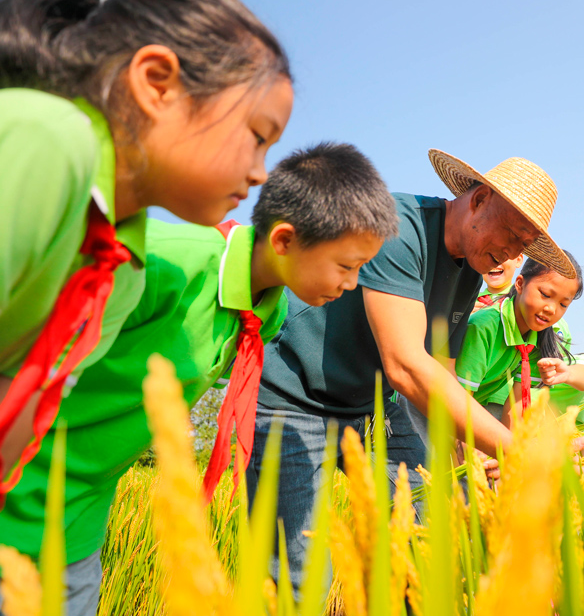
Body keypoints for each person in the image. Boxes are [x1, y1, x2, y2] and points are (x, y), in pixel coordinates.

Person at [0, 143, 396, 616]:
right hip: (15, 492)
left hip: (78, 522)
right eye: (345, 266)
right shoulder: (165, 263)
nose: (351, 284)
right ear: (285, 241)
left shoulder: (266, 315)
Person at [0, 0, 293, 497]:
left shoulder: (123, 261)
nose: (260, 174)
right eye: (257, 137)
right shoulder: (44, 143)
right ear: (157, 83)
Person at [252, 148, 575, 593]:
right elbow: (406, 365)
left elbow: (440, 375)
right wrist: (514, 447)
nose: (510, 252)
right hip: (297, 396)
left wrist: (473, 456)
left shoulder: (471, 269)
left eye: (523, 246)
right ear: (478, 200)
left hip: (374, 405)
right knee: (301, 576)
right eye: (511, 233)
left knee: (433, 531)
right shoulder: (400, 226)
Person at [456, 254, 583, 424]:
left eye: (563, 304)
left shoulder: (539, 341)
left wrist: (513, 449)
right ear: (520, 284)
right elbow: (457, 400)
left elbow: (516, 407)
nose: (552, 309)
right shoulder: (483, 327)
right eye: (545, 294)